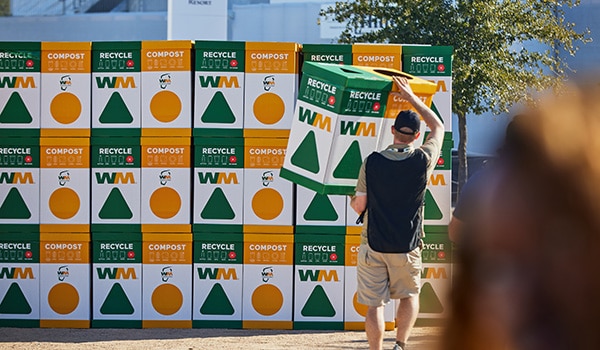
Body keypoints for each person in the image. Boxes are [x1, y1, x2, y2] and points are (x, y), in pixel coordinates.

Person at [442, 81, 600, 350]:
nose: (525, 292)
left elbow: (455, 231)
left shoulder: (484, 184)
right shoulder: (494, 188)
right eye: (498, 264)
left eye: (561, 244)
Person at [350, 75, 444, 350]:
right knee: (409, 296)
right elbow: (437, 125)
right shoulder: (423, 160)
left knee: (373, 306)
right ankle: (400, 346)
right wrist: (413, 97)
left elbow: (360, 206)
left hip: (374, 245)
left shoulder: (372, 162)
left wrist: (351, 199)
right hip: (407, 245)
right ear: (416, 136)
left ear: (392, 130)